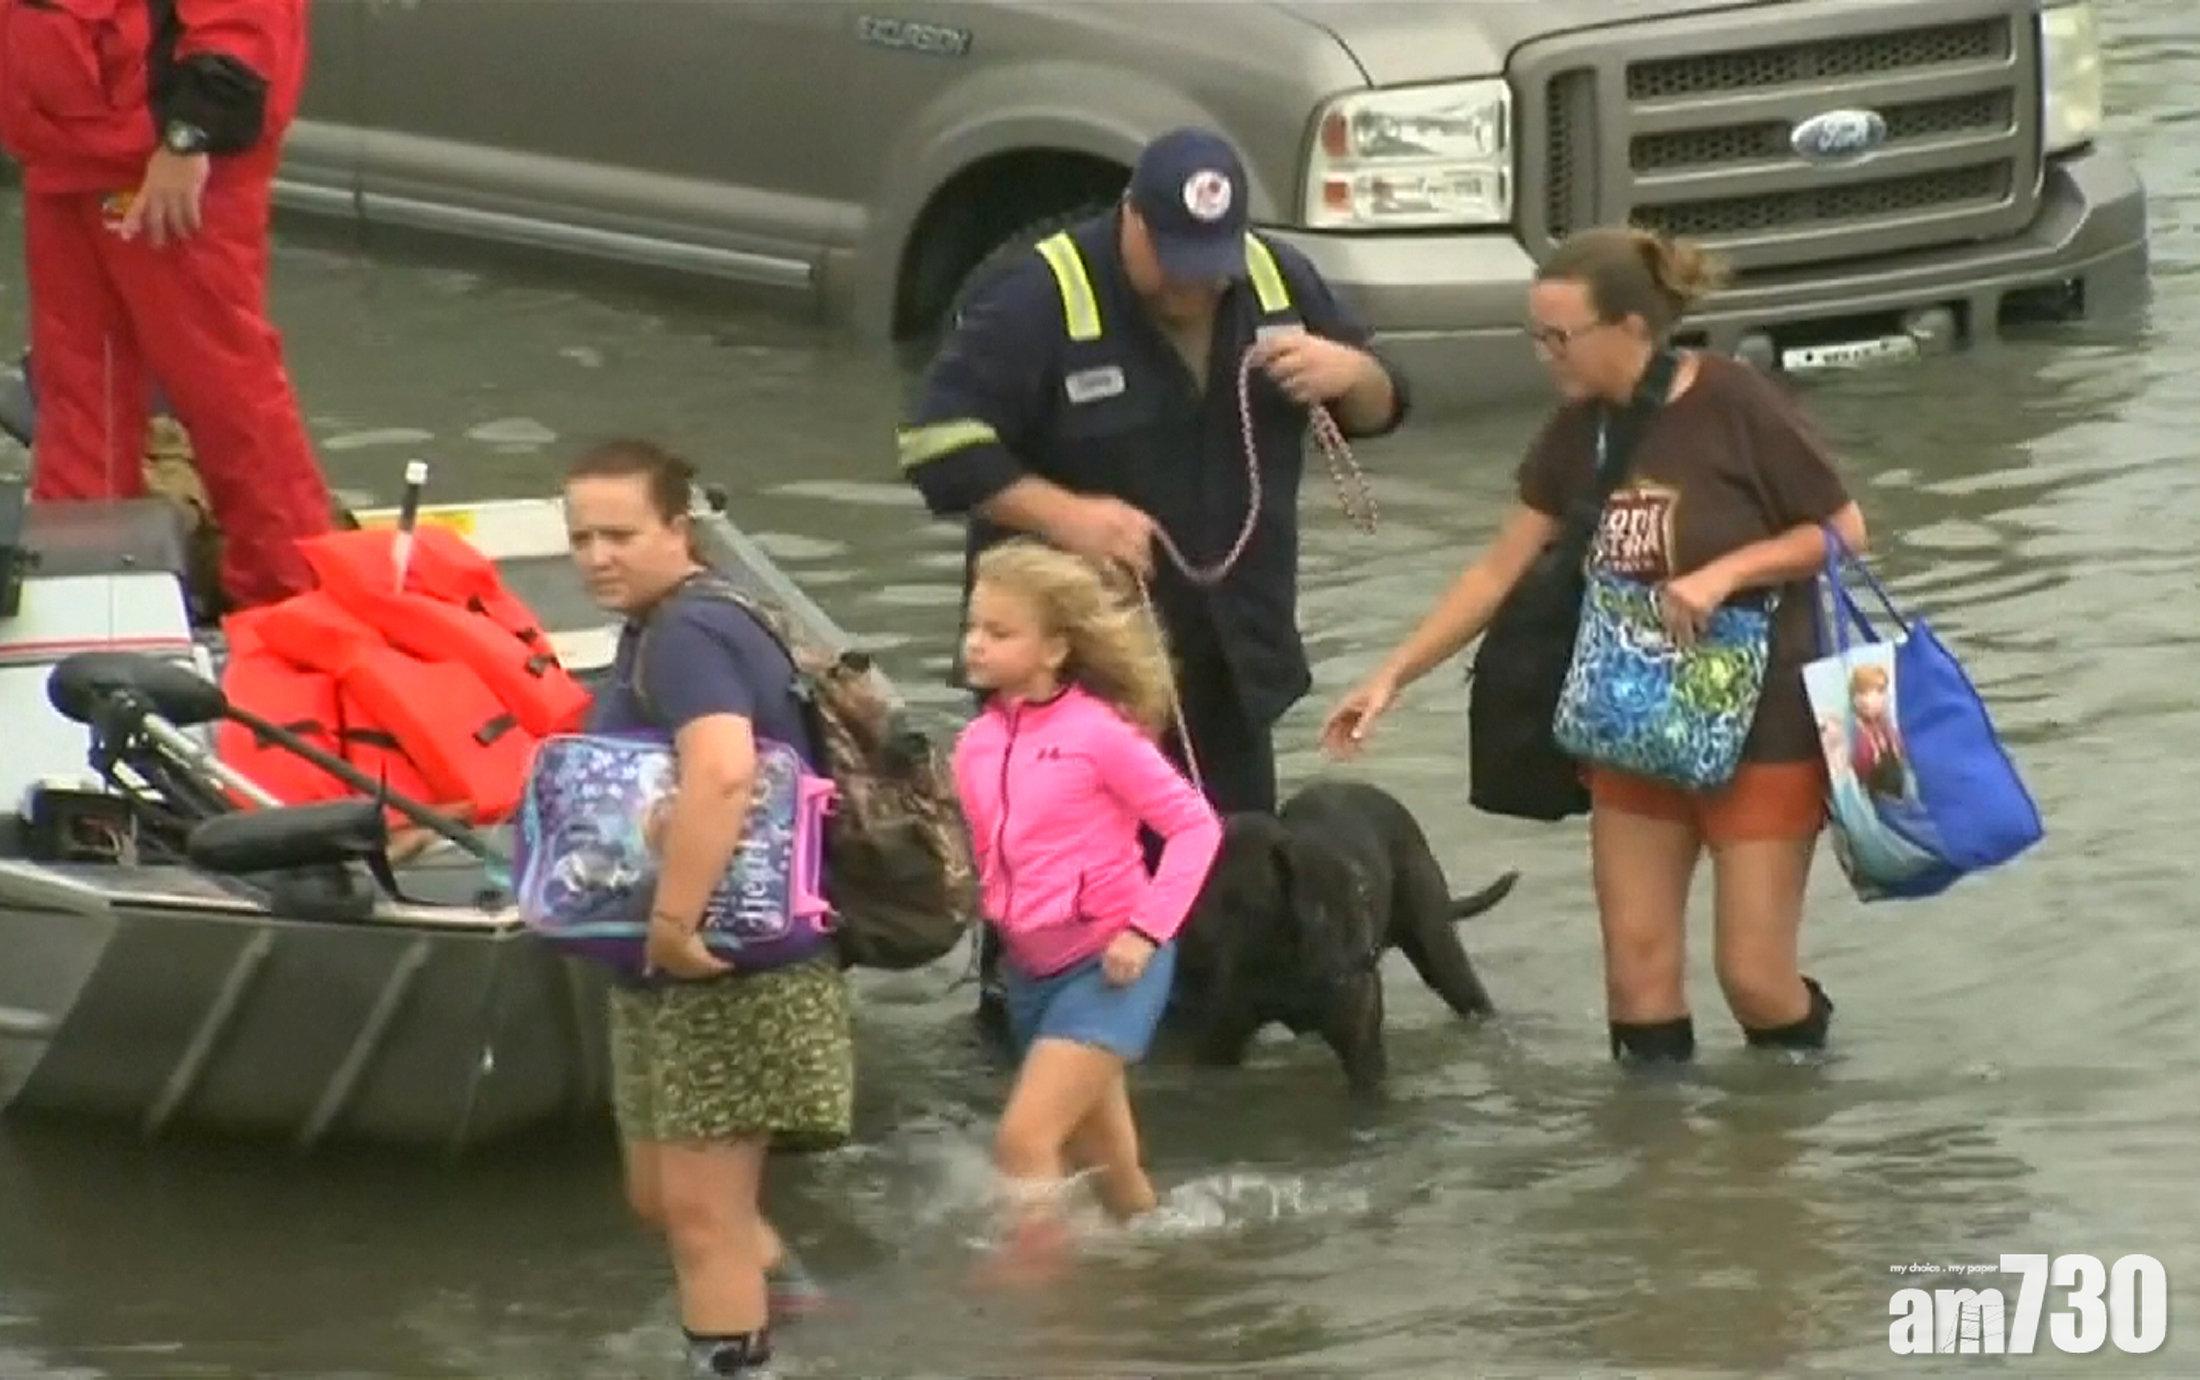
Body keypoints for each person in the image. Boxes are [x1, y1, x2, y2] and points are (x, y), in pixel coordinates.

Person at [1321, 227, 1870, 1065]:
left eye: (1560, 338)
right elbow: (1499, 568)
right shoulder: (1579, 431)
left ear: (1633, 329)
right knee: (1636, 978)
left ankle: (1783, 1142)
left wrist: (1725, 574)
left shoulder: (1735, 402)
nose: (1545, 356)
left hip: (1764, 727)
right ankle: (1654, 1171)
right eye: (1534, 336)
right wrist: (1392, 677)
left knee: (1753, 977)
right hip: (1632, 721)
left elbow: (1842, 532)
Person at [898, 125, 1407, 1027]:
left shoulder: (1278, 279)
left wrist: (1354, 371)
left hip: (1228, 653)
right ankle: (1033, 1051)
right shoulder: (1033, 295)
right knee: (1064, 894)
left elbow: (1382, 404)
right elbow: (936, 446)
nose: (1192, 285)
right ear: (1129, 218)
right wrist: (1068, 516)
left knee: (1231, 881)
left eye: (1211, 265)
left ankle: (1207, 1068)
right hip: (1077, 673)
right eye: (1172, 259)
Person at [563, 439, 854, 1379]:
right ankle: (796, 1302)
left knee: (702, 1220)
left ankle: (737, 1359)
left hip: (724, 961)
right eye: (581, 538)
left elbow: (723, 772)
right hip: (671, 968)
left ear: (678, 530)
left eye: (620, 534)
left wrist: (674, 925)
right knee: (662, 1195)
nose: (597, 557)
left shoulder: (690, 634)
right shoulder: (665, 624)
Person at [0, 0, 334, 608]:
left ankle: (290, 592)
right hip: (65, 154)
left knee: (223, 386)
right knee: (78, 387)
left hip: (163, 164)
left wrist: (188, 139)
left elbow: (245, 22)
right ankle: (84, 587)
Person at [951, 539, 1221, 1274]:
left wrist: (1146, 928)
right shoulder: (973, 744)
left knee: (1023, 1142)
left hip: (1111, 964)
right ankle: (1165, 1276)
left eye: (999, 632)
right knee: (1106, 1162)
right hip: (1031, 971)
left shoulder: (1100, 737)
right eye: (973, 626)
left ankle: (1050, 1313)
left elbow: (1196, 827)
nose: (975, 642)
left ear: (1055, 648)